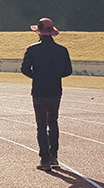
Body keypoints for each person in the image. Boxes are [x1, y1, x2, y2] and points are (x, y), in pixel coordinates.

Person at [21, 17, 72, 171]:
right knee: (53, 122)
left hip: (39, 91)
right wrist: (55, 76)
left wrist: (37, 77)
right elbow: (68, 71)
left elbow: (24, 69)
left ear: (39, 33)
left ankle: (45, 159)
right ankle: (54, 156)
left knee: (41, 126)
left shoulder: (32, 49)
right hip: (55, 91)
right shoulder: (62, 50)